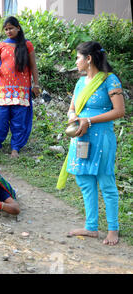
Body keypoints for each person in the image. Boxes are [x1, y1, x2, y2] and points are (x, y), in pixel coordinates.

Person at [57, 42, 125, 246]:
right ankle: (91, 227)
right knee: (85, 180)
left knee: (106, 181)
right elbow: (72, 108)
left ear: (89, 59)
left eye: (78, 57)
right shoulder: (80, 83)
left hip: (101, 137)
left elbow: (119, 111)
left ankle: (113, 229)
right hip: (82, 137)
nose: (75, 62)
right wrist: (73, 117)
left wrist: (90, 121)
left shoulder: (109, 80)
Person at [0, 16, 40, 158]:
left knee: (19, 120)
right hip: (3, 89)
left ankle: (15, 148)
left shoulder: (27, 45)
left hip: (21, 90)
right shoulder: (1, 45)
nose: (8, 31)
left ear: (18, 28)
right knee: (0, 118)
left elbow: (33, 66)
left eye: (11, 28)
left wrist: (36, 84)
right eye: (6, 29)